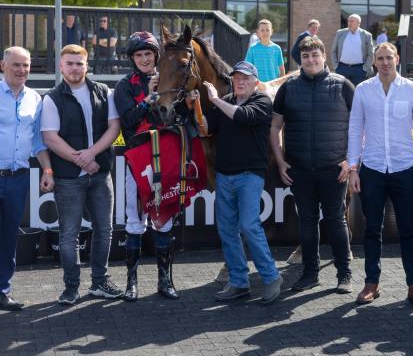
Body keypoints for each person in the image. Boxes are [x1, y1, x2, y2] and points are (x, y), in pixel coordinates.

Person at [347, 43, 413, 306]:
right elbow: (354, 129)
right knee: (372, 229)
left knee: (407, 229)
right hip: (371, 168)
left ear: (397, 58)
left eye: (389, 58)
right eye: (380, 58)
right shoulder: (363, 90)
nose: (385, 63)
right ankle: (371, 283)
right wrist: (353, 167)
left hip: (405, 168)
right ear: (374, 62)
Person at [270, 36, 354, 294]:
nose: (310, 60)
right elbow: (274, 127)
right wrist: (281, 161)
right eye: (305, 57)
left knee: (335, 221)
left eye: (315, 55)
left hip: (334, 170)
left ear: (324, 56)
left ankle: (344, 274)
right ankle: (310, 274)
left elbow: (360, 126)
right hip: (300, 169)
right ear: (301, 60)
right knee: (306, 223)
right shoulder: (289, 87)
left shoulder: (343, 85)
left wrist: (350, 161)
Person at [41, 44, 123, 305]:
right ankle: (71, 287)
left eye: (80, 63)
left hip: (100, 175)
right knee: (69, 234)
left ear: (87, 65)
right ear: (61, 66)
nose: (75, 68)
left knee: (105, 229)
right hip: (68, 178)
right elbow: (51, 138)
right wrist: (83, 161)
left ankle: (99, 282)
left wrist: (91, 155)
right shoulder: (52, 98)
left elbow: (113, 128)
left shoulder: (102, 92)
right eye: (70, 63)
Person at [114, 31, 192, 301]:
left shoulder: (170, 78)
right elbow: (128, 121)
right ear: (132, 58)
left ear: (156, 56)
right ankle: (131, 283)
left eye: (148, 54)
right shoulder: (125, 85)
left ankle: (165, 281)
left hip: (167, 157)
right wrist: (149, 97)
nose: (145, 59)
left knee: (165, 218)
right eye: (139, 55)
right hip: (137, 158)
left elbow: (181, 117)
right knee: (135, 220)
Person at [204, 61, 283, 304]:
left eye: (245, 78)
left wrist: (215, 100)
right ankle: (239, 282)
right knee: (227, 230)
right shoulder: (226, 100)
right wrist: (194, 105)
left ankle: (271, 277)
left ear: (255, 82)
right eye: (236, 77)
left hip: (250, 175)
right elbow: (206, 128)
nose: (240, 81)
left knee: (249, 226)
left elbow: (242, 116)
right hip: (224, 176)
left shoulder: (262, 102)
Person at [0, 47, 54, 311]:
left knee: (9, 237)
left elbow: (37, 141)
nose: (21, 70)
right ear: (3, 65)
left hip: (18, 179)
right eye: (16, 65)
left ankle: (2, 291)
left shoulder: (35, 98)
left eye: (26, 65)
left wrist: (47, 170)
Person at [332, 14, 374, 86]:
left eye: (352, 21)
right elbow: (334, 50)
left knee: (357, 93)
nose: (349, 23)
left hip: (359, 70)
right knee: (340, 93)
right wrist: (336, 66)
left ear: (358, 23)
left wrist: (365, 68)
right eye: (348, 21)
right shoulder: (340, 33)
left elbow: (371, 53)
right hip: (342, 68)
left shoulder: (367, 35)